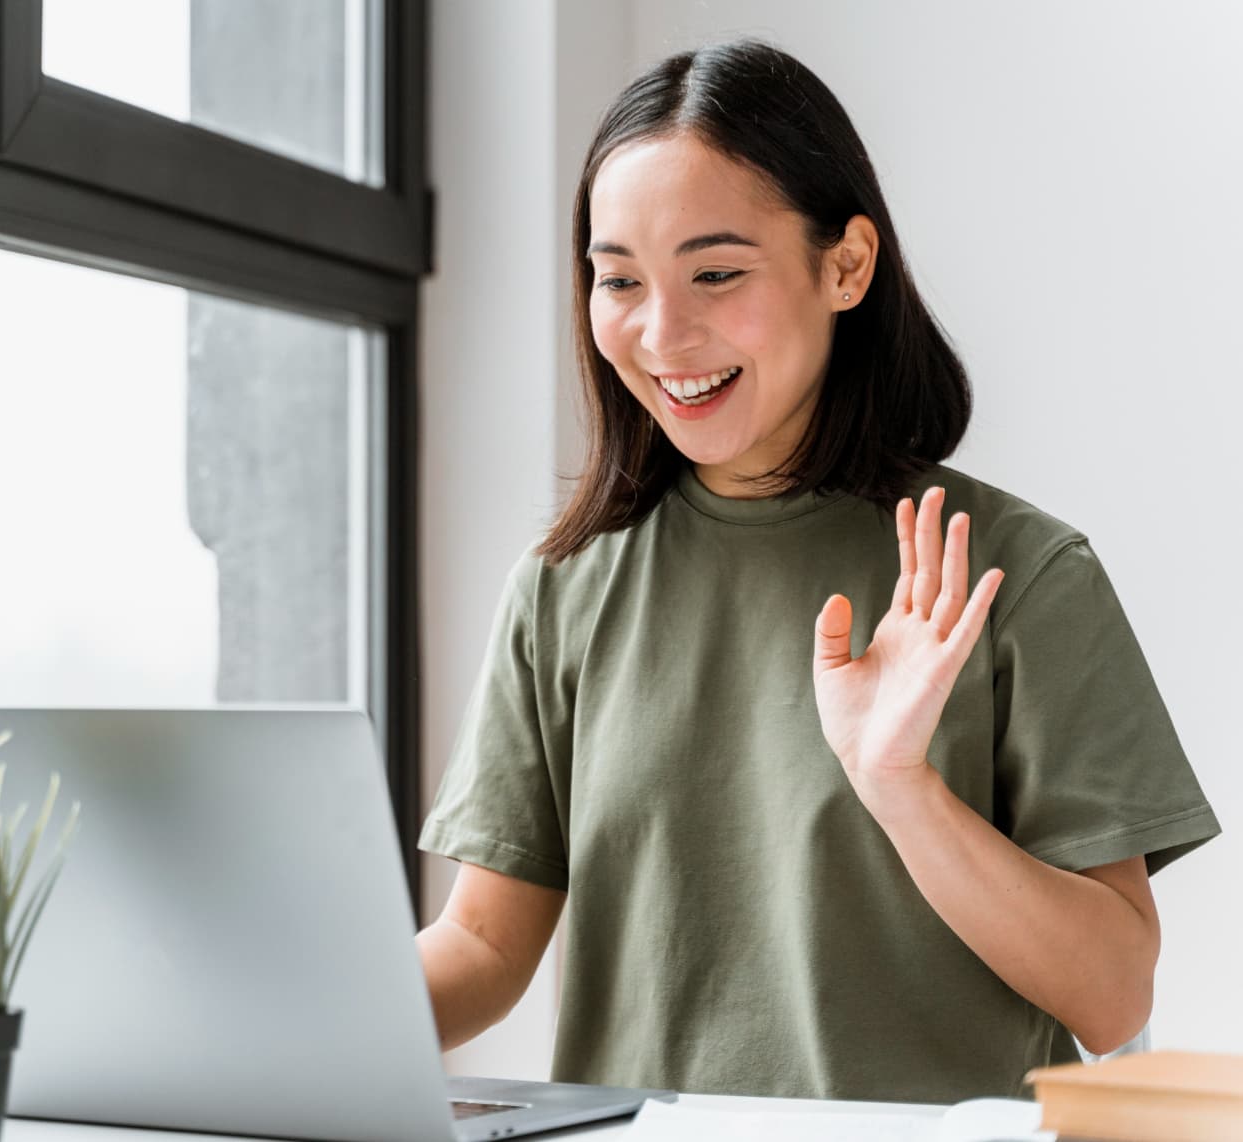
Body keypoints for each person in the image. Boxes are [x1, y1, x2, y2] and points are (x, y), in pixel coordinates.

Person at [413, 39, 1220, 1105]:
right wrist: (272, 1020)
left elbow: (1114, 995)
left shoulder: (1019, 573)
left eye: (716, 273)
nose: (663, 332)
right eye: (619, 279)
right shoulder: (564, 584)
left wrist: (904, 788)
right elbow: (482, 942)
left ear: (845, 264)